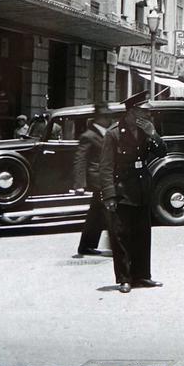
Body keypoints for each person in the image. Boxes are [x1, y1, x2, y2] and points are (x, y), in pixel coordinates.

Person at [99, 91, 165, 293]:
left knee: (142, 234)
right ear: (131, 112)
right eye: (144, 113)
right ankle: (125, 278)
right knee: (122, 237)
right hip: (122, 191)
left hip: (141, 189)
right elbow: (106, 167)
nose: (147, 116)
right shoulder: (114, 134)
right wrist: (109, 195)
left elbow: (162, 152)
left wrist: (154, 134)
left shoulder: (146, 131)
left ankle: (143, 275)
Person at [72, 103, 112, 258]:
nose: (109, 120)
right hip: (98, 181)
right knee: (111, 212)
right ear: (99, 119)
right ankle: (117, 247)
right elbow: (80, 160)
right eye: (106, 117)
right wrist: (79, 184)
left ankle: (86, 246)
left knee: (95, 215)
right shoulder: (88, 136)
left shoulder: (107, 134)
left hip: (105, 179)